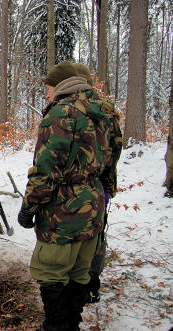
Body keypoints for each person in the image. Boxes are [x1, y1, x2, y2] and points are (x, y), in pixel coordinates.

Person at [17, 61, 111, 331]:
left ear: (59, 86)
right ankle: (71, 324)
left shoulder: (60, 114)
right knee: (79, 272)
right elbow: (110, 161)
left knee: (51, 271)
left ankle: (57, 327)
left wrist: (29, 206)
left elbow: (45, 171)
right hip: (93, 207)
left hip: (64, 211)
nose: (46, 94)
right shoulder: (103, 112)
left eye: (47, 88)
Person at [73, 63, 123, 303]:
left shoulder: (71, 109)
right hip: (101, 186)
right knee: (97, 233)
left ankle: (76, 284)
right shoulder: (108, 110)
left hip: (77, 188)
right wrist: (106, 178)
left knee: (75, 234)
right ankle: (91, 285)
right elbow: (116, 149)